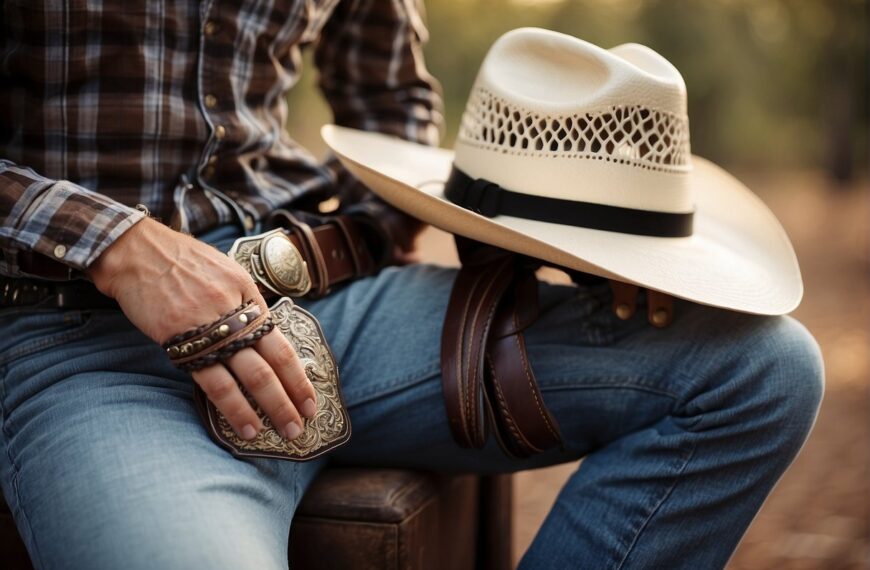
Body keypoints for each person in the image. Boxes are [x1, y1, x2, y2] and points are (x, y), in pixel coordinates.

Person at [0, 2, 823, 569]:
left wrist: (555, 237)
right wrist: (122, 247)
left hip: (324, 301)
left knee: (756, 369)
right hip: (86, 336)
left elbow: (393, 99)